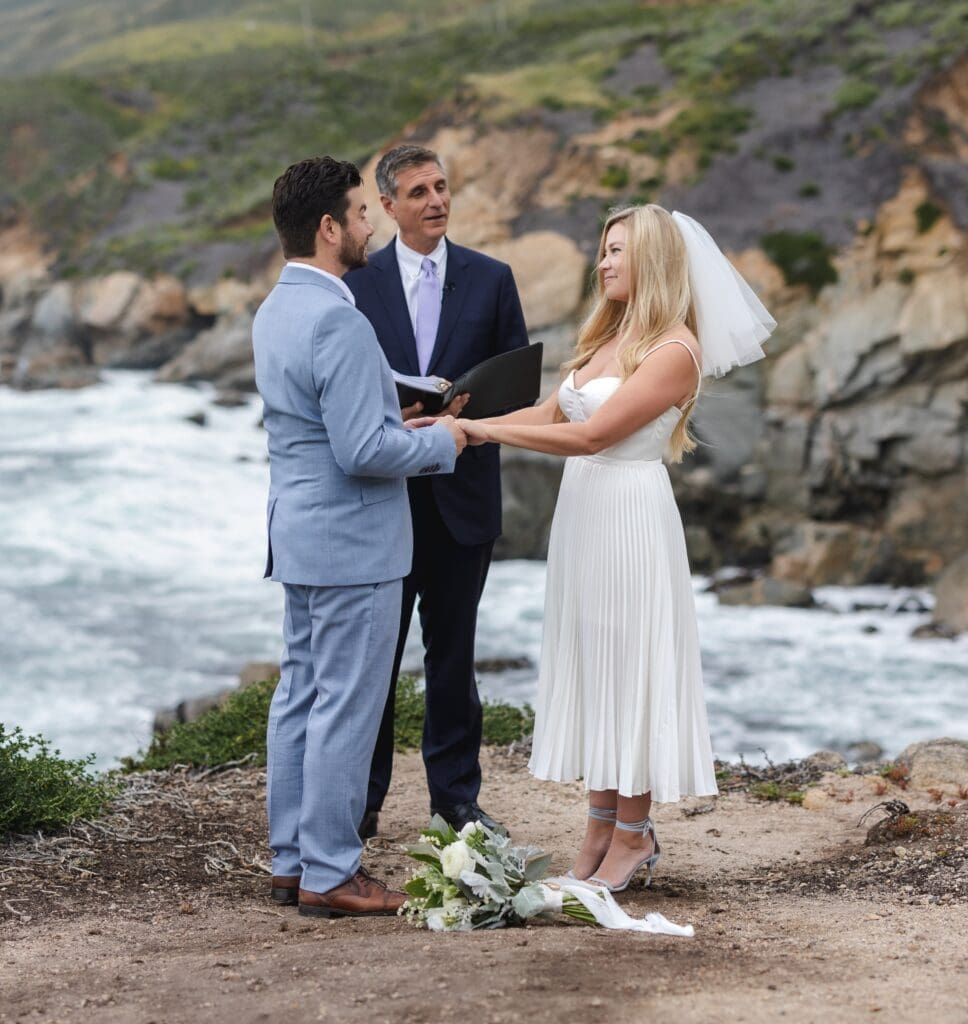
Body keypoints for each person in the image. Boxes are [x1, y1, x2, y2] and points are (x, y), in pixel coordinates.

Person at [461, 204, 775, 892]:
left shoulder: (675, 351)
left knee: (631, 665)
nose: (602, 262)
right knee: (596, 660)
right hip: (583, 515)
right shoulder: (606, 338)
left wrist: (483, 437)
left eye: (616, 251)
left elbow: (592, 435)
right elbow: (549, 415)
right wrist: (460, 421)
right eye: (601, 250)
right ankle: (599, 826)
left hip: (631, 515)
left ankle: (634, 835)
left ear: (654, 260)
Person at [252, 156, 466, 918]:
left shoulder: (276, 308)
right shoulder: (338, 316)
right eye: (361, 211)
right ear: (329, 227)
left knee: (301, 698)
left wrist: (389, 422)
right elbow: (362, 453)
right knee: (346, 704)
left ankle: (291, 860)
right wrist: (446, 441)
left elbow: (323, 428)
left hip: (302, 536)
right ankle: (332, 872)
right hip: (353, 544)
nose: (372, 223)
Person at [346, 144, 529, 838]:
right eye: (418, 191)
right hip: (383, 500)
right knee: (374, 665)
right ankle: (359, 808)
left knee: (453, 661)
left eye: (442, 187)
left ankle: (456, 802)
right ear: (388, 205)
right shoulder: (357, 285)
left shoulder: (492, 279)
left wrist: (469, 419)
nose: (436, 201)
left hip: (462, 502)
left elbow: (517, 386)